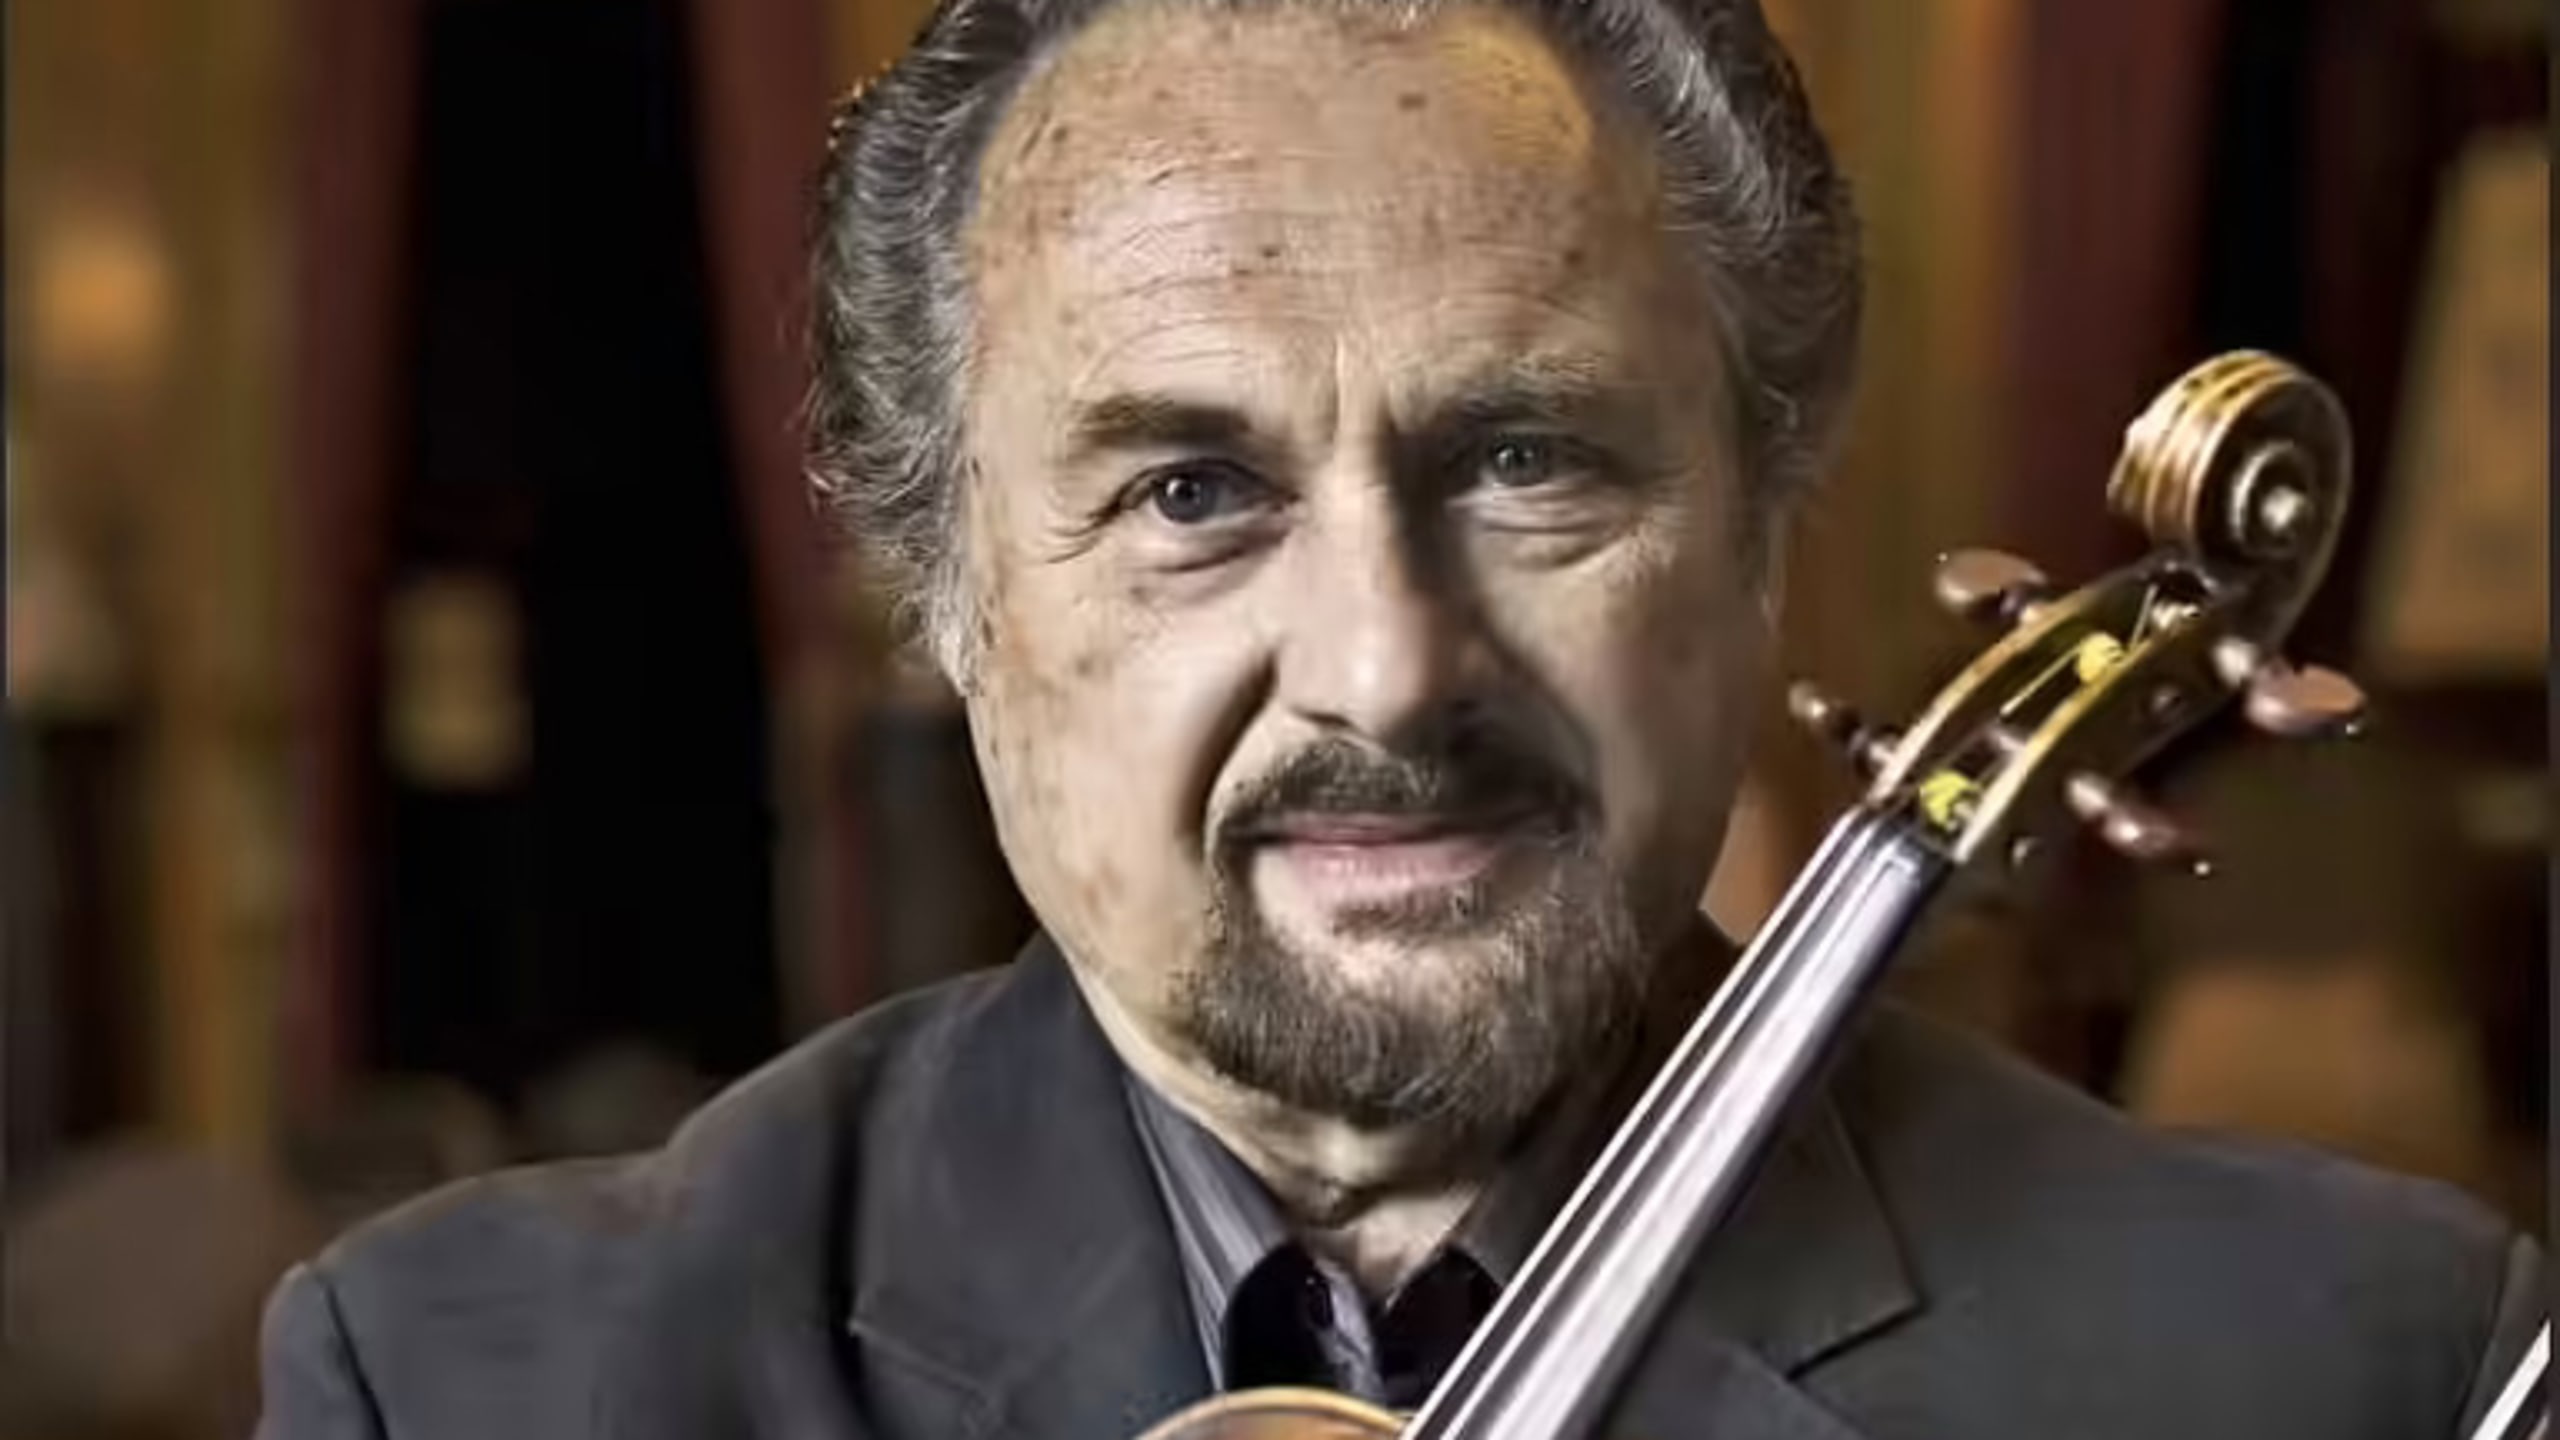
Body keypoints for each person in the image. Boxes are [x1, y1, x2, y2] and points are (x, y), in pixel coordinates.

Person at [254, 0, 2544, 1434]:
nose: (1383, 666)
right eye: (1189, 492)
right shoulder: (470, 1388)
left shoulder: (2340, 1368)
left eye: (1526, 460)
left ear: (1762, 530)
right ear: (947, 592)